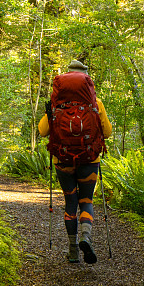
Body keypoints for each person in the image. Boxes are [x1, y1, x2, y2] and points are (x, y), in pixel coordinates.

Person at [38, 60, 112, 263]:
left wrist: (51, 113)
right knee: (86, 201)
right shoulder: (96, 104)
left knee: (70, 202)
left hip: (63, 161)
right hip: (89, 160)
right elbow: (107, 132)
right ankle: (86, 237)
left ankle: (73, 250)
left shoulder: (56, 104)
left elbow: (42, 131)